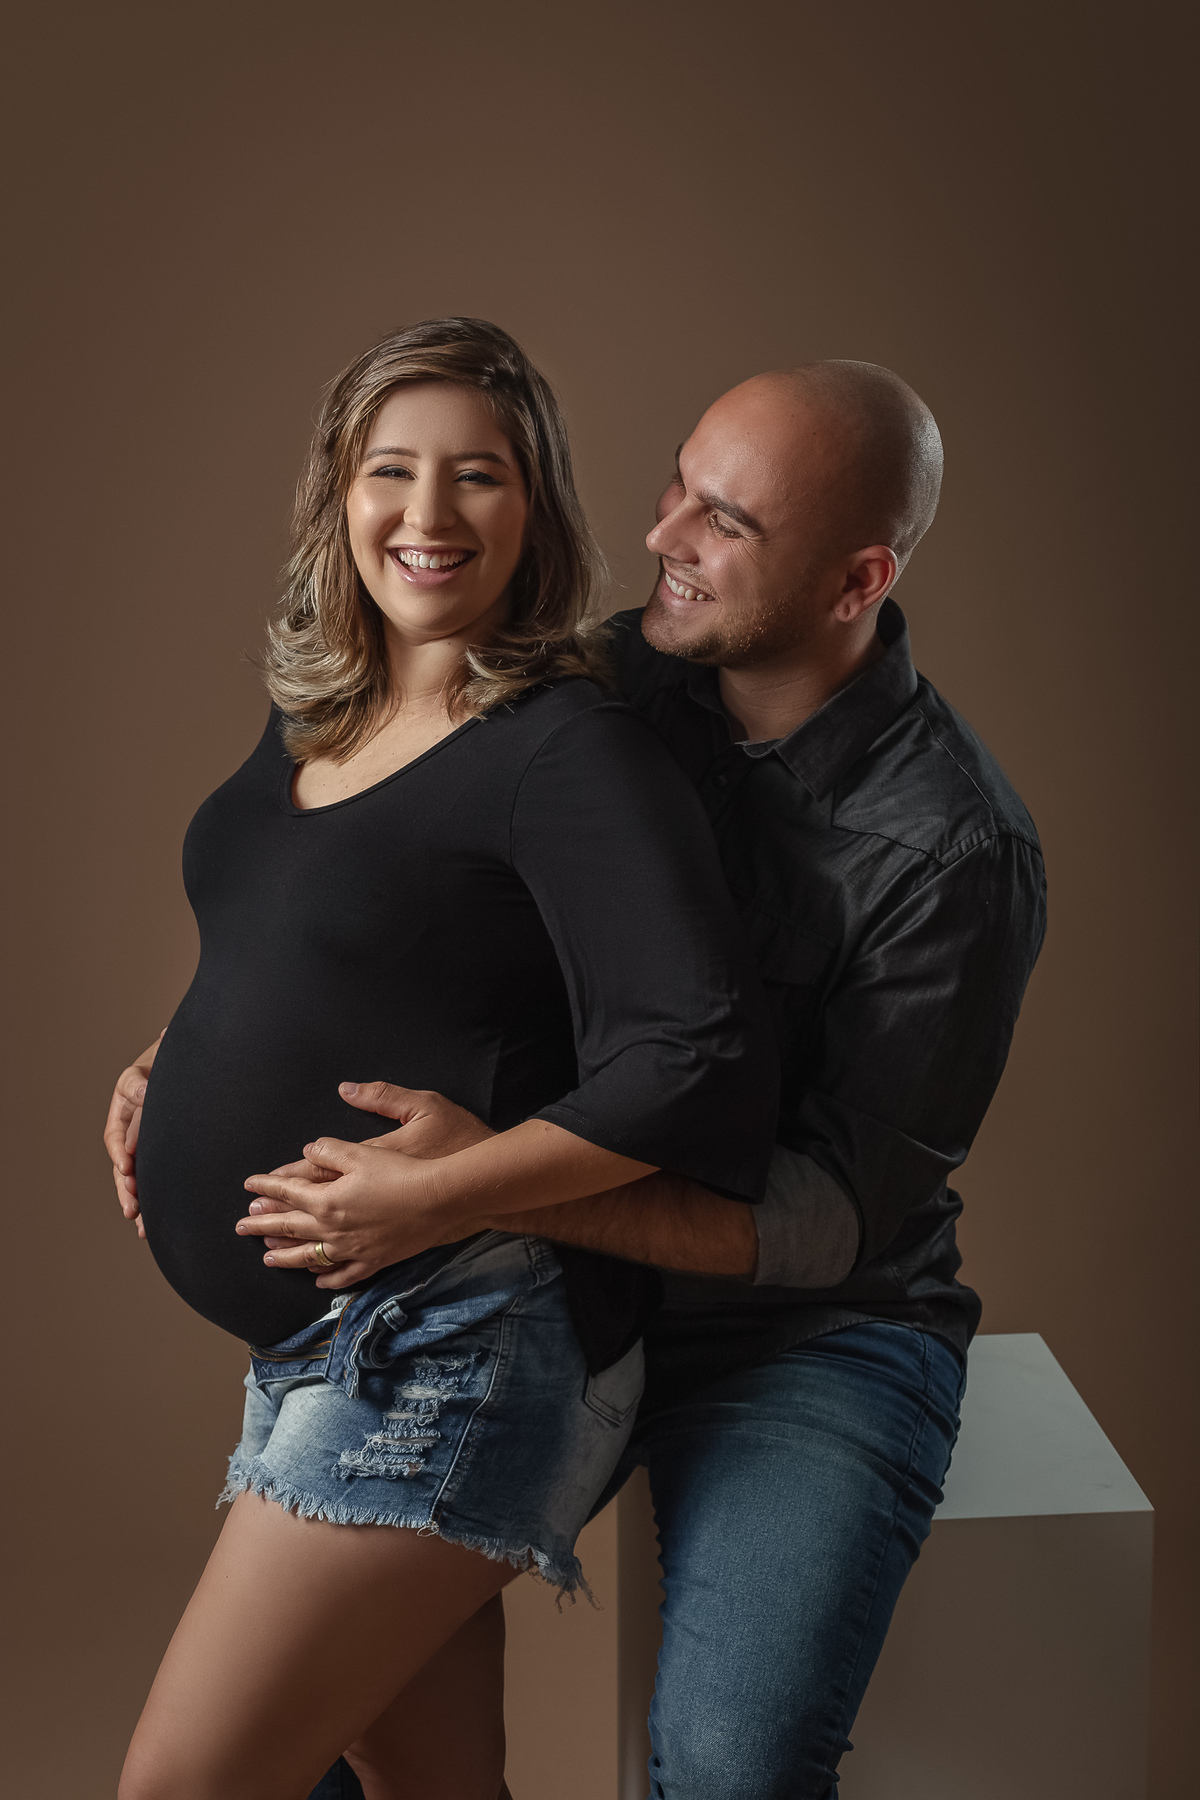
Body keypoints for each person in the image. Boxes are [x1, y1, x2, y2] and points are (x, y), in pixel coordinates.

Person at [226, 358, 1047, 1800]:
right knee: (325, 1709)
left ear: (859, 580)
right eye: (680, 484)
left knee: (732, 1765)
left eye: (725, 522)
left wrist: (481, 1191)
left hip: (805, 1335)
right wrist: (180, 1053)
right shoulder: (602, 681)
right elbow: (389, 911)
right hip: (535, 1289)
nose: (662, 533)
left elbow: (821, 1224)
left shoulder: (955, 848)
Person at [104, 318, 779, 1800]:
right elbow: (319, 931)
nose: (427, 514)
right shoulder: (325, 703)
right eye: (389, 471)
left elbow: (698, 1054)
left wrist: (439, 1192)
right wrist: (177, 1059)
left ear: (534, 506)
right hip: (330, 1344)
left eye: (477, 475)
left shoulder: (564, 747)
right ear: (336, 494)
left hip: (450, 1343)